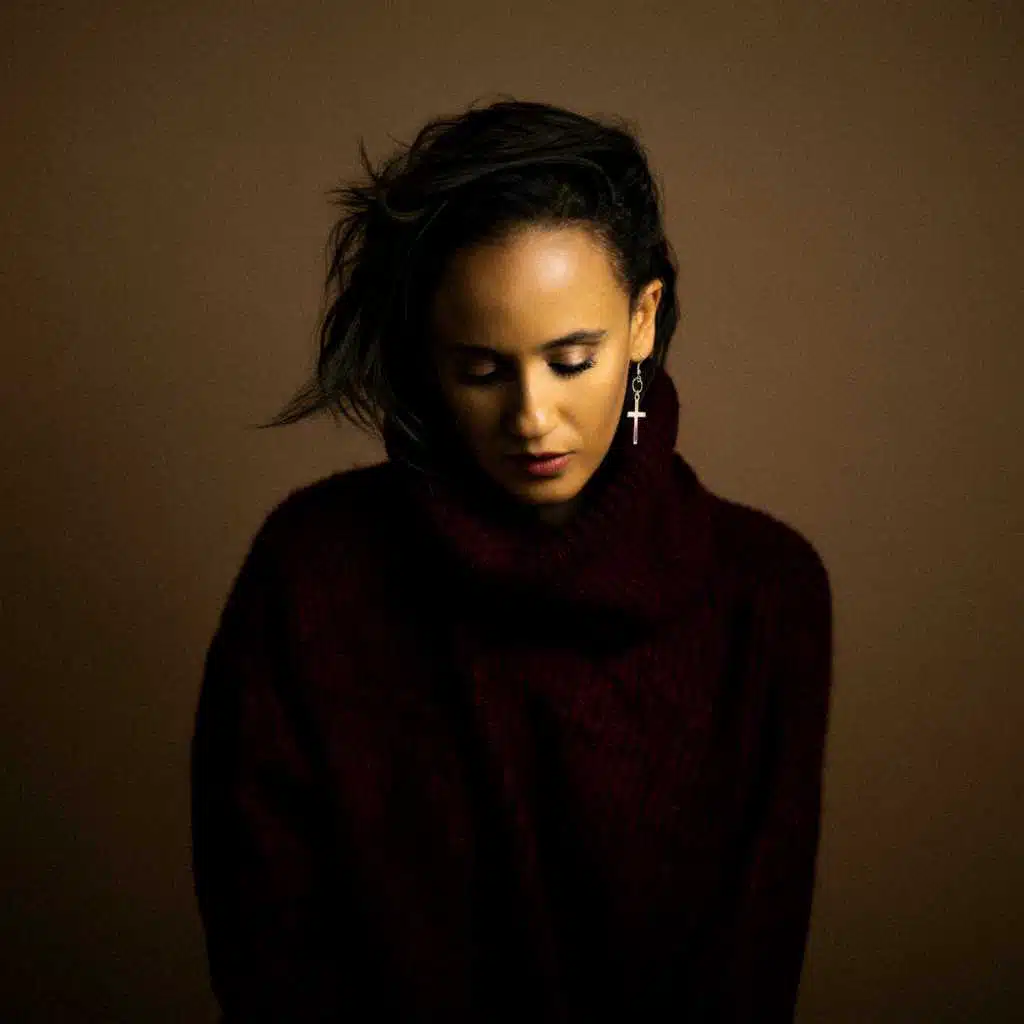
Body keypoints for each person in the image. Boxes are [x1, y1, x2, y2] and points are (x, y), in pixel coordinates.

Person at [189, 96, 834, 1022]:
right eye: (483, 370)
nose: (532, 418)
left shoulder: (767, 594)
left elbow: (751, 967)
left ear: (643, 319)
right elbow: (267, 948)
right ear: (428, 355)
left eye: (571, 361)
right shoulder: (311, 576)